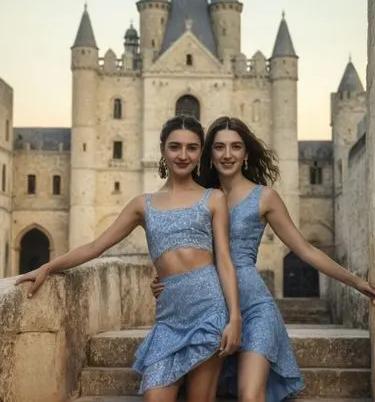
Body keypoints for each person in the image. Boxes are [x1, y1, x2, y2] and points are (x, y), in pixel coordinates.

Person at [15, 115, 241, 402]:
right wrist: (48, 266)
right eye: (175, 147)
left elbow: (224, 259)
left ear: (200, 153)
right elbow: (96, 246)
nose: (183, 155)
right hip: (170, 318)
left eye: (192, 148)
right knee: (154, 397)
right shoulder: (142, 204)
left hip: (209, 310)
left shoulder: (213, 198)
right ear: (162, 149)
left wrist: (234, 317)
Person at [152, 116, 375, 402]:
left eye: (236, 147)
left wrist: (355, 281)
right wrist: (163, 279)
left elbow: (305, 249)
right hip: (208, 312)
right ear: (209, 153)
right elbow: (179, 248)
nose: (227, 154)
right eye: (219, 147)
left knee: (250, 396)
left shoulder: (264, 197)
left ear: (246, 153)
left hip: (255, 308)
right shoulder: (199, 197)